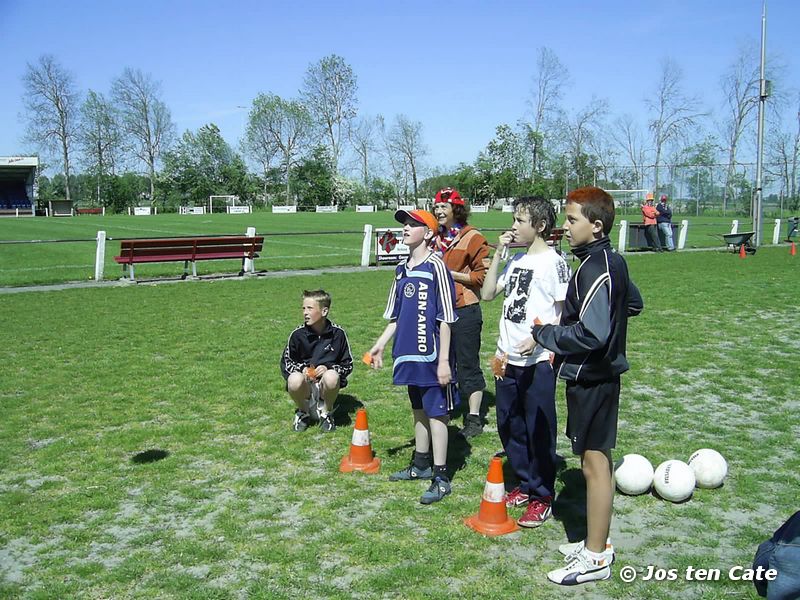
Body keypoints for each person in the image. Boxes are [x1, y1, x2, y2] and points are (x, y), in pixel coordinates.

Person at [531, 186, 643, 586]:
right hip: (599, 375)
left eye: (572, 220)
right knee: (593, 462)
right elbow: (633, 303)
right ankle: (596, 542)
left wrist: (546, 335)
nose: (565, 226)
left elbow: (593, 333)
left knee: (595, 466)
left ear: (596, 226)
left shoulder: (595, 267)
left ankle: (596, 556)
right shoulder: (610, 260)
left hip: (593, 377)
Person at [481, 196, 571, 528]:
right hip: (505, 357)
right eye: (514, 220)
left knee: (538, 427)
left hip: (537, 360)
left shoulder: (555, 263)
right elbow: (488, 294)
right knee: (509, 422)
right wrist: (497, 256)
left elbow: (563, 315)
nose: (514, 226)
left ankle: (542, 494)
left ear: (541, 226)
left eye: (520, 220)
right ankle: (521, 482)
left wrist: (539, 339)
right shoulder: (515, 261)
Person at [368, 209, 459, 505]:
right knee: (418, 408)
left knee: (437, 412)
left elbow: (446, 317)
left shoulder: (437, 266)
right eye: (404, 224)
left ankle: (441, 475)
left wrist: (444, 360)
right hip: (408, 352)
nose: (406, 228)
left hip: (433, 355)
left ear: (429, 233)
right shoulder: (401, 268)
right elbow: (395, 316)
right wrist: (380, 345)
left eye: (413, 224)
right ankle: (420, 464)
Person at [431, 187, 489, 439]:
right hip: (437, 309)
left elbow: (483, 277)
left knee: (467, 364)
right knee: (441, 361)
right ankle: (446, 405)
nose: (438, 211)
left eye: (444, 206)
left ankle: (474, 417)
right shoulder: (433, 236)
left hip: (465, 309)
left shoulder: (473, 237)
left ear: (456, 209)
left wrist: (450, 274)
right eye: (436, 206)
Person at [280, 289, 353, 433]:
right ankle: (303, 412)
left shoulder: (338, 334)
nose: (305, 313)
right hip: (305, 386)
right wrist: (303, 369)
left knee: (332, 376)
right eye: (303, 308)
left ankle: (326, 413)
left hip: (326, 388)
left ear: (324, 311)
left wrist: (329, 368)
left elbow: (348, 364)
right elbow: (286, 362)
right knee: (294, 379)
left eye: (310, 308)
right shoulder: (297, 335)